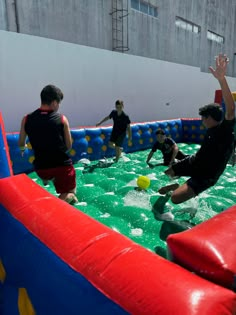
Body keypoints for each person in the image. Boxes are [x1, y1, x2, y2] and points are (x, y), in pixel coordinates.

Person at [158, 54, 235, 205]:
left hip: (208, 174)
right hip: (195, 161)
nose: (202, 121)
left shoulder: (225, 129)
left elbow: (231, 108)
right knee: (169, 172)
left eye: (203, 118)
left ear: (210, 118)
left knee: (175, 198)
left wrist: (221, 79)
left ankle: (177, 189)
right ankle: (175, 183)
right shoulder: (211, 130)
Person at [18, 84, 78, 204]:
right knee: (71, 192)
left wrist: (23, 148)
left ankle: (47, 180)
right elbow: (69, 146)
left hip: (41, 168)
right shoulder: (62, 119)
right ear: (55, 102)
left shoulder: (26, 119)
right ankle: (61, 201)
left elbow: (21, 142)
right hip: (61, 167)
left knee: (47, 172)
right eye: (59, 103)